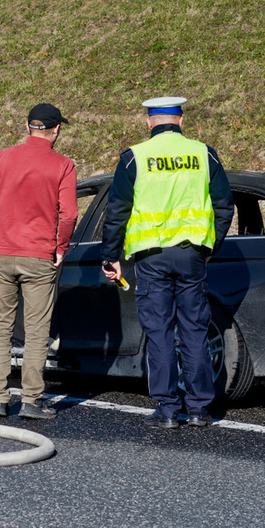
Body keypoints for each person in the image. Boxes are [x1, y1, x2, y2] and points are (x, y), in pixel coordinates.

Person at [101, 96, 234, 429]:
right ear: (182, 120)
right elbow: (224, 206)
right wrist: (209, 246)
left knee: (159, 332)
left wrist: (110, 256)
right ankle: (200, 409)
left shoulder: (135, 157)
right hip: (192, 256)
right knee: (194, 331)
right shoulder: (204, 154)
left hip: (152, 258)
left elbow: (116, 211)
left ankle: (168, 409)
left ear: (149, 122)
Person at [0, 103, 78, 420]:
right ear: (56, 129)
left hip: (3, 254)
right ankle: (31, 401)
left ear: (28, 126)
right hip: (38, 256)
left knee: (1, 329)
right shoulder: (64, 165)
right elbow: (70, 213)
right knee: (35, 331)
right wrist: (60, 247)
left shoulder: (5, 156)